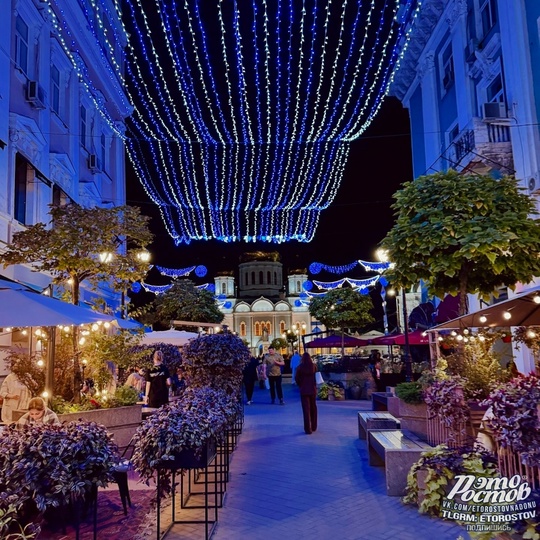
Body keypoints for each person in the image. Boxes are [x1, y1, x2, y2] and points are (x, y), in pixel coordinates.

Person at [295, 352, 318, 434]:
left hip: (304, 390)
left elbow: (297, 379)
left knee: (306, 410)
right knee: (313, 408)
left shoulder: (299, 368)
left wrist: (301, 385)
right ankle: (314, 426)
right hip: (312, 389)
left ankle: (308, 429)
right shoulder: (314, 366)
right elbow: (316, 377)